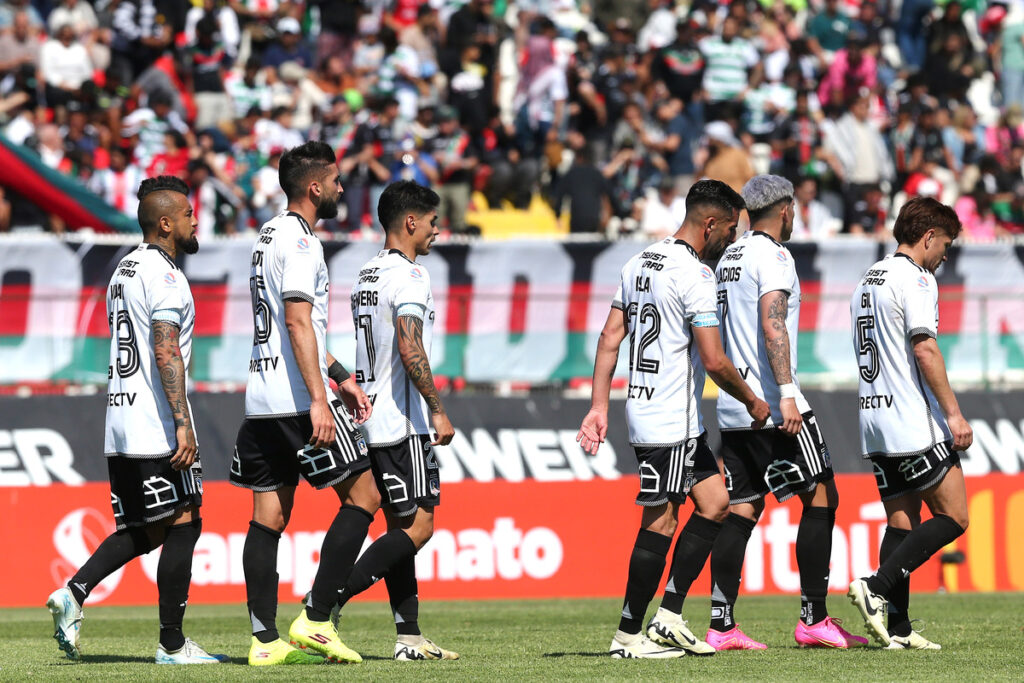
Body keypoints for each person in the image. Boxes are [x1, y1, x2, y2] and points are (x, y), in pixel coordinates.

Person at [577, 179, 770, 658]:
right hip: (665, 417)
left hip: (666, 416)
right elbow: (715, 361)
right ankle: (627, 635)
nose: (731, 237)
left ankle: (668, 616)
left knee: (716, 504)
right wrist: (752, 400)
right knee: (661, 522)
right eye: (730, 228)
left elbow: (608, 337)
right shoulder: (695, 275)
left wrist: (600, 405)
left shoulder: (638, 261)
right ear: (710, 223)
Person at [45, 176, 225, 664]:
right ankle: (171, 645)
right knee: (185, 523)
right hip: (155, 425)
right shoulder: (166, 276)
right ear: (166, 223)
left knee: (147, 530)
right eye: (188, 213)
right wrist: (182, 422)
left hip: (120, 422)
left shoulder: (123, 269)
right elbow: (166, 348)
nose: (195, 220)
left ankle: (75, 592)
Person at [231, 141, 378, 666]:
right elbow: (297, 321)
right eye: (336, 180)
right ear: (314, 187)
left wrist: (340, 378)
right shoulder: (301, 243)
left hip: (261, 397)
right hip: (296, 399)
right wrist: (320, 398)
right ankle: (316, 619)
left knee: (268, 516)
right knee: (364, 495)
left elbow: (302, 327)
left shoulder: (267, 235)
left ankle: (263, 641)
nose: (342, 188)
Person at [708, 175, 867, 651]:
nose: (795, 216)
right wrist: (786, 392)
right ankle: (813, 618)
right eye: (794, 207)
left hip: (735, 406)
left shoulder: (729, 257)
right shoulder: (773, 255)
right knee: (823, 498)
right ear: (782, 209)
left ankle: (721, 625)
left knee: (743, 507)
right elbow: (772, 322)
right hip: (774, 404)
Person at [334, 180, 459, 661]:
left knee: (398, 526)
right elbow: (410, 346)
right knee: (420, 528)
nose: (436, 231)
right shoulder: (410, 276)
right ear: (410, 222)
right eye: (431, 222)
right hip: (400, 421)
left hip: (367, 417)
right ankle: (326, 601)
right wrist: (437, 407)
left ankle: (408, 637)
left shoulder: (366, 273)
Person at [847, 197, 972, 650]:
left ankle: (896, 629)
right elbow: (924, 349)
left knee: (901, 523)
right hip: (910, 419)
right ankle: (875, 588)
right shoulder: (916, 278)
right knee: (954, 516)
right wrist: (954, 414)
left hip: (874, 420)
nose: (945, 256)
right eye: (946, 245)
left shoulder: (869, 277)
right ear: (928, 237)